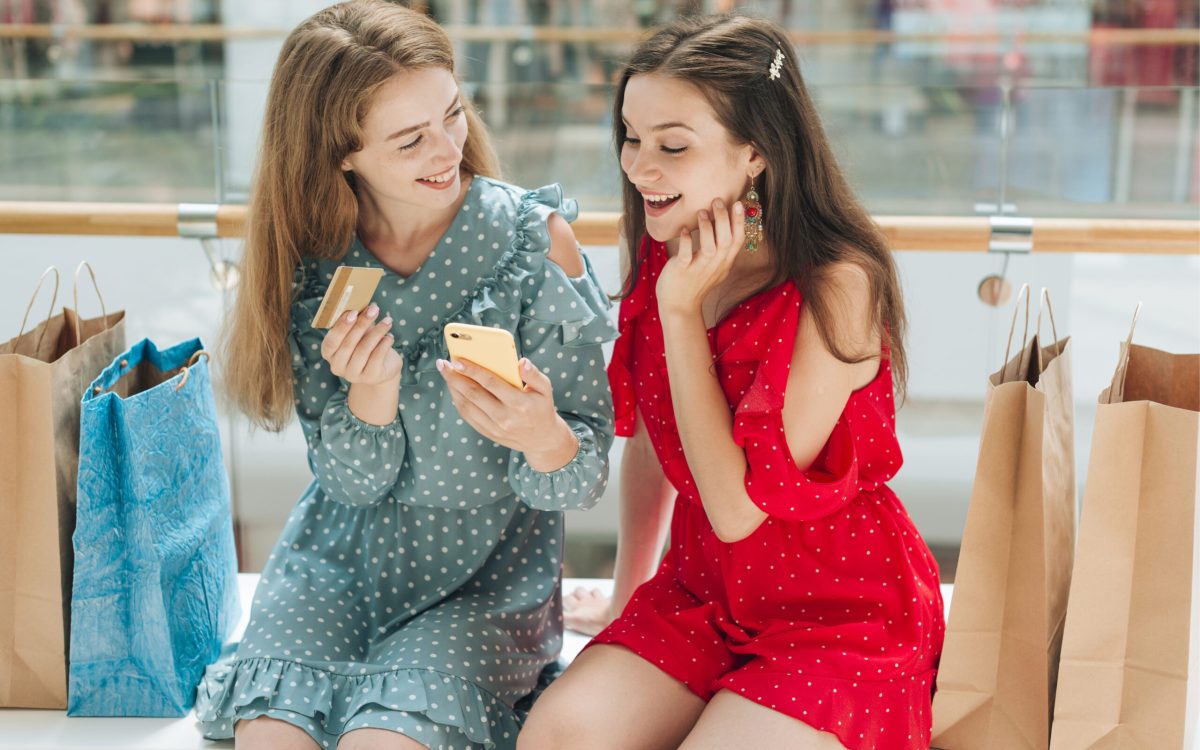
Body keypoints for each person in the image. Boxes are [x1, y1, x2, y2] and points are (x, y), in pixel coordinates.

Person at [196, 2, 616, 748]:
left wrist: (543, 434)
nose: (446, 149)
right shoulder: (317, 266)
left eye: (452, 114)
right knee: (269, 738)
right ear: (342, 155)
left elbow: (583, 477)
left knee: (382, 743)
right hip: (335, 563)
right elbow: (350, 484)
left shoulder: (534, 241)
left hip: (485, 580)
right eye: (409, 139)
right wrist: (371, 395)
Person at [520, 13, 944, 750]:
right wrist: (628, 601)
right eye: (631, 137)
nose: (639, 167)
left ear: (756, 152)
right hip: (704, 592)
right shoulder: (671, 243)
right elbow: (655, 439)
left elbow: (737, 511)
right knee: (557, 735)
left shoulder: (837, 285)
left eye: (673, 146)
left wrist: (680, 314)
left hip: (838, 611)